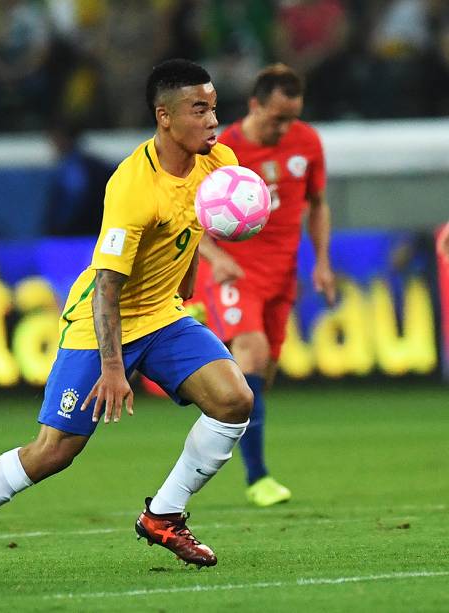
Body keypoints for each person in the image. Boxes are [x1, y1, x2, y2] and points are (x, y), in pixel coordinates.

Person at [0, 59, 254, 581]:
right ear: (164, 116)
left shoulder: (218, 162)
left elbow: (194, 223)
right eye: (199, 109)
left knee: (234, 401)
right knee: (54, 452)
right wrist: (114, 368)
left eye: (214, 107)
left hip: (162, 316)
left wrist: (188, 282)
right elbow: (107, 288)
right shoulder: (132, 188)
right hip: (102, 323)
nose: (212, 120)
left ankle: (163, 515)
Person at [195, 64, 336, 508]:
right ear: (255, 105)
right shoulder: (223, 150)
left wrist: (324, 263)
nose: (285, 127)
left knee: (259, 383)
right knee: (251, 355)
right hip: (234, 272)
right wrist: (215, 259)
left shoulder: (307, 143)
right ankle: (258, 478)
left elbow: (317, 205)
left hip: (281, 276)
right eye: (277, 118)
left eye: (292, 117)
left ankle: (200, 369)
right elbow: (189, 214)